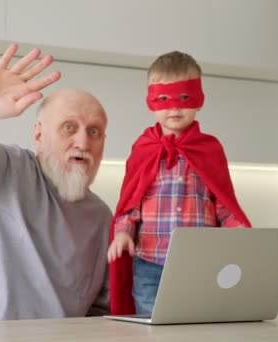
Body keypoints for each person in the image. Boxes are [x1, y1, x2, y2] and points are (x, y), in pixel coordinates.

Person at [0, 43, 113, 323]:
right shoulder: (6, 170)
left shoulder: (101, 218)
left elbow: (98, 316)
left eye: (94, 131)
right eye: (69, 127)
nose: (83, 142)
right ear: (38, 135)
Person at [107, 51, 252, 315]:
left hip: (200, 265)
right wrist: (122, 233)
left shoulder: (210, 149)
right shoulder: (143, 149)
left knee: (198, 325)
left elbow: (223, 204)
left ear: (200, 100)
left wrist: (239, 230)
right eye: (163, 98)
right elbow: (130, 205)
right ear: (151, 102)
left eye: (185, 97)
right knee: (153, 329)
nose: (174, 107)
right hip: (150, 263)